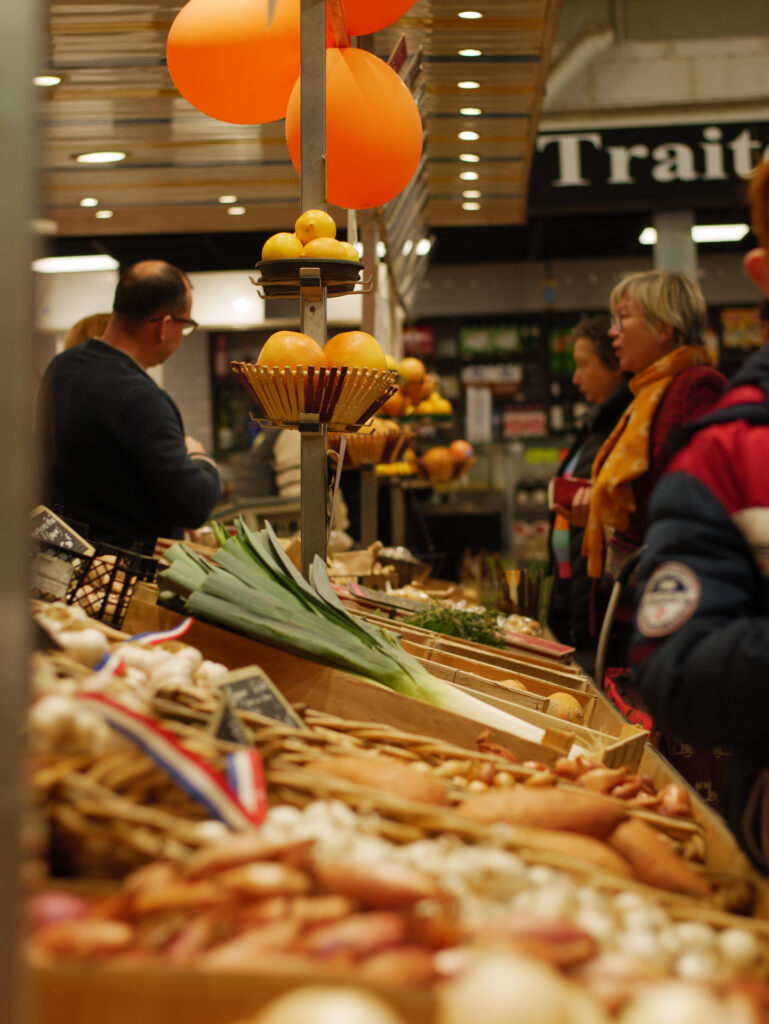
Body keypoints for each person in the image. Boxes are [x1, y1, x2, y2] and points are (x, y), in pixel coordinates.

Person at [630, 157, 769, 869]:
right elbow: (673, 666)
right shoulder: (728, 446)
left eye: (625, 318)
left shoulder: (683, 391)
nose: (615, 333)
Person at [566, 270, 727, 679]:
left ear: (664, 327)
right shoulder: (648, 392)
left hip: (668, 605)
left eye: (623, 318)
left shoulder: (694, 389)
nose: (613, 332)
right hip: (637, 597)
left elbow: (691, 506)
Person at [35, 260, 220, 554]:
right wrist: (198, 455)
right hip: (122, 572)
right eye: (185, 325)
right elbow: (193, 505)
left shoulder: (62, 368)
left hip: (66, 563)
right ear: (164, 326)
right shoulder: (142, 398)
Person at [547, 314, 631, 669]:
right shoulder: (597, 424)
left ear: (615, 365)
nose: (575, 377)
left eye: (584, 364)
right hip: (574, 596)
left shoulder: (624, 427)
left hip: (597, 601)